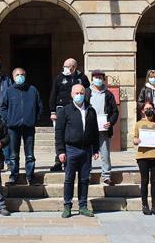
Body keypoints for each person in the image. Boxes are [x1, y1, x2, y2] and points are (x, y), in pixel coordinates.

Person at [55, 84, 99, 218]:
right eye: (76, 93)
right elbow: (59, 132)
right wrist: (60, 151)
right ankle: (67, 206)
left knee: (84, 179)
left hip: (86, 150)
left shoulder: (91, 110)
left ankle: (83, 206)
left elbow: (95, 131)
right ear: (72, 94)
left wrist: (96, 149)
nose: (79, 95)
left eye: (81, 93)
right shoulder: (65, 111)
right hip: (71, 149)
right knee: (69, 179)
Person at [0, 68, 43, 186]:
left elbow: (40, 106)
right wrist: (8, 120)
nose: (20, 76)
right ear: (13, 77)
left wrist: (34, 119)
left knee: (30, 155)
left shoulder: (32, 90)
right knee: (13, 154)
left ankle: (30, 177)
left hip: (29, 126)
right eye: (17, 75)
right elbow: (3, 108)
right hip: (13, 127)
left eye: (22, 74)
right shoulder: (9, 91)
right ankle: (14, 176)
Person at [49, 58, 90, 172]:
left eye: (68, 66)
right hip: (61, 110)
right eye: (64, 66)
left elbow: (87, 93)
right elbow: (53, 94)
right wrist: (53, 111)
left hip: (76, 110)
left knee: (74, 134)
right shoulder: (59, 78)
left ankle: (74, 160)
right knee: (59, 135)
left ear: (74, 67)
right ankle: (58, 160)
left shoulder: (82, 78)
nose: (65, 68)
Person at [85, 70, 119, 185]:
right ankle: (87, 175)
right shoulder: (87, 92)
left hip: (104, 129)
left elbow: (115, 111)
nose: (98, 79)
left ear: (103, 79)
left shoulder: (108, 94)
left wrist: (110, 122)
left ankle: (106, 175)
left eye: (100, 77)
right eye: (96, 77)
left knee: (105, 153)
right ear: (92, 79)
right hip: (89, 128)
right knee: (88, 152)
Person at [133, 101, 155, 215]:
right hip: (143, 156)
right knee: (144, 181)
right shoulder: (138, 124)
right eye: (146, 108)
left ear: (154, 110)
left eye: (151, 108)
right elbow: (134, 138)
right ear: (142, 111)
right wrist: (136, 141)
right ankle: (144, 204)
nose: (149, 110)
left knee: (154, 181)